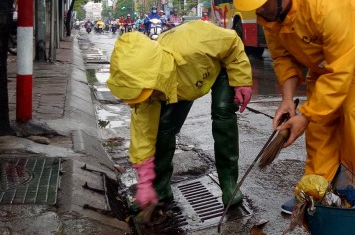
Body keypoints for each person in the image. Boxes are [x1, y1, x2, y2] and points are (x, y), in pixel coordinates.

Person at [232, 0, 355, 213]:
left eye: (261, 3)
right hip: (321, 56)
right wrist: (288, 101)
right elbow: (283, 58)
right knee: (319, 127)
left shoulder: (327, 7)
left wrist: (305, 115)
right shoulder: (271, 14)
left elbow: (339, 71)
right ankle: (315, 192)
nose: (258, 11)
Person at [106, 25, 253, 215]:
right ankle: (160, 189)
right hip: (183, 85)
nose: (147, 100)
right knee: (163, 127)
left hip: (222, 67)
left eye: (149, 93)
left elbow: (233, 41)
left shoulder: (196, 44)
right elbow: (143, 136)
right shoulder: (146, 92)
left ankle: (229, 183)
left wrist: (242, 80)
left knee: (223, 114)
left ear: (156, 75)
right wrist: (145, 181)